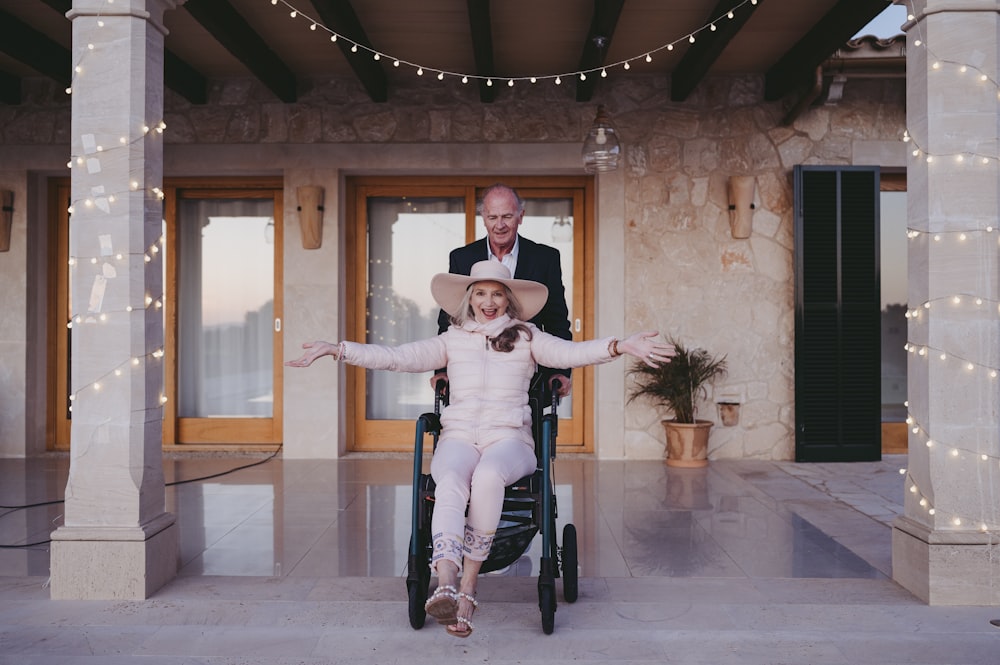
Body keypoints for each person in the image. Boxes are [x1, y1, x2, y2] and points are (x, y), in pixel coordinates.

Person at [286, 260, 674, 638]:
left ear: (509, 300)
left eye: (497, 295)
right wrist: (337, 349)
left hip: (510, 441)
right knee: (450, 479)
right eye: (481, 294)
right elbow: (396, 357)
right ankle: (446, 583)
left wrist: (621, 345)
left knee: (488, 476)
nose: (489, 302)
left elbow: (574, 353)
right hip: (459, 437)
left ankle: (469, 586)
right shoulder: (451, 340)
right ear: (469, 299)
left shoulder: (527, 337)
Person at [433, 183, 574, 399]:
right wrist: (442, 370)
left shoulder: (545, 258)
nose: (500, 225)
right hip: (471, 373)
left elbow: (557, 321)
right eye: (493, 217)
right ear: (483, 218)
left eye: (507, 216)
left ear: (521, 216)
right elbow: (449, 318)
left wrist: (560, 371)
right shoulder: (462, 258)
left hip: (528, 377)